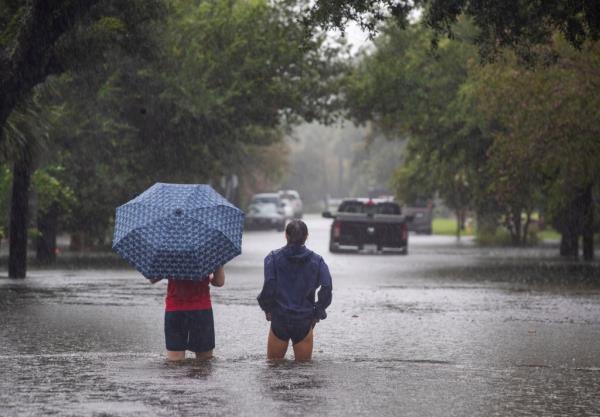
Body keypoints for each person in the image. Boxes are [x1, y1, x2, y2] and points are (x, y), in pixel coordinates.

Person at [257, 219, 332, 361]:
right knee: (303, 375)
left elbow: (269, 285)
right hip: (304, 320)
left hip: (280, 318)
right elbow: (327, 287)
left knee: (273, 370)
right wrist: (317, 312)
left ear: (285, 235)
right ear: (307, 236)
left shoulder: (272, 258)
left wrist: (267, 308)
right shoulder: (318, 261)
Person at [150, 266, 225, 361]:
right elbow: (219, 282)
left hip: (175, 309)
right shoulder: (209, 254)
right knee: (204, 362)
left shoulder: (170, 253)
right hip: (201, 309)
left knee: (175, 362)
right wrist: (214, 270)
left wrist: (171, 269)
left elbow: (152, 279)